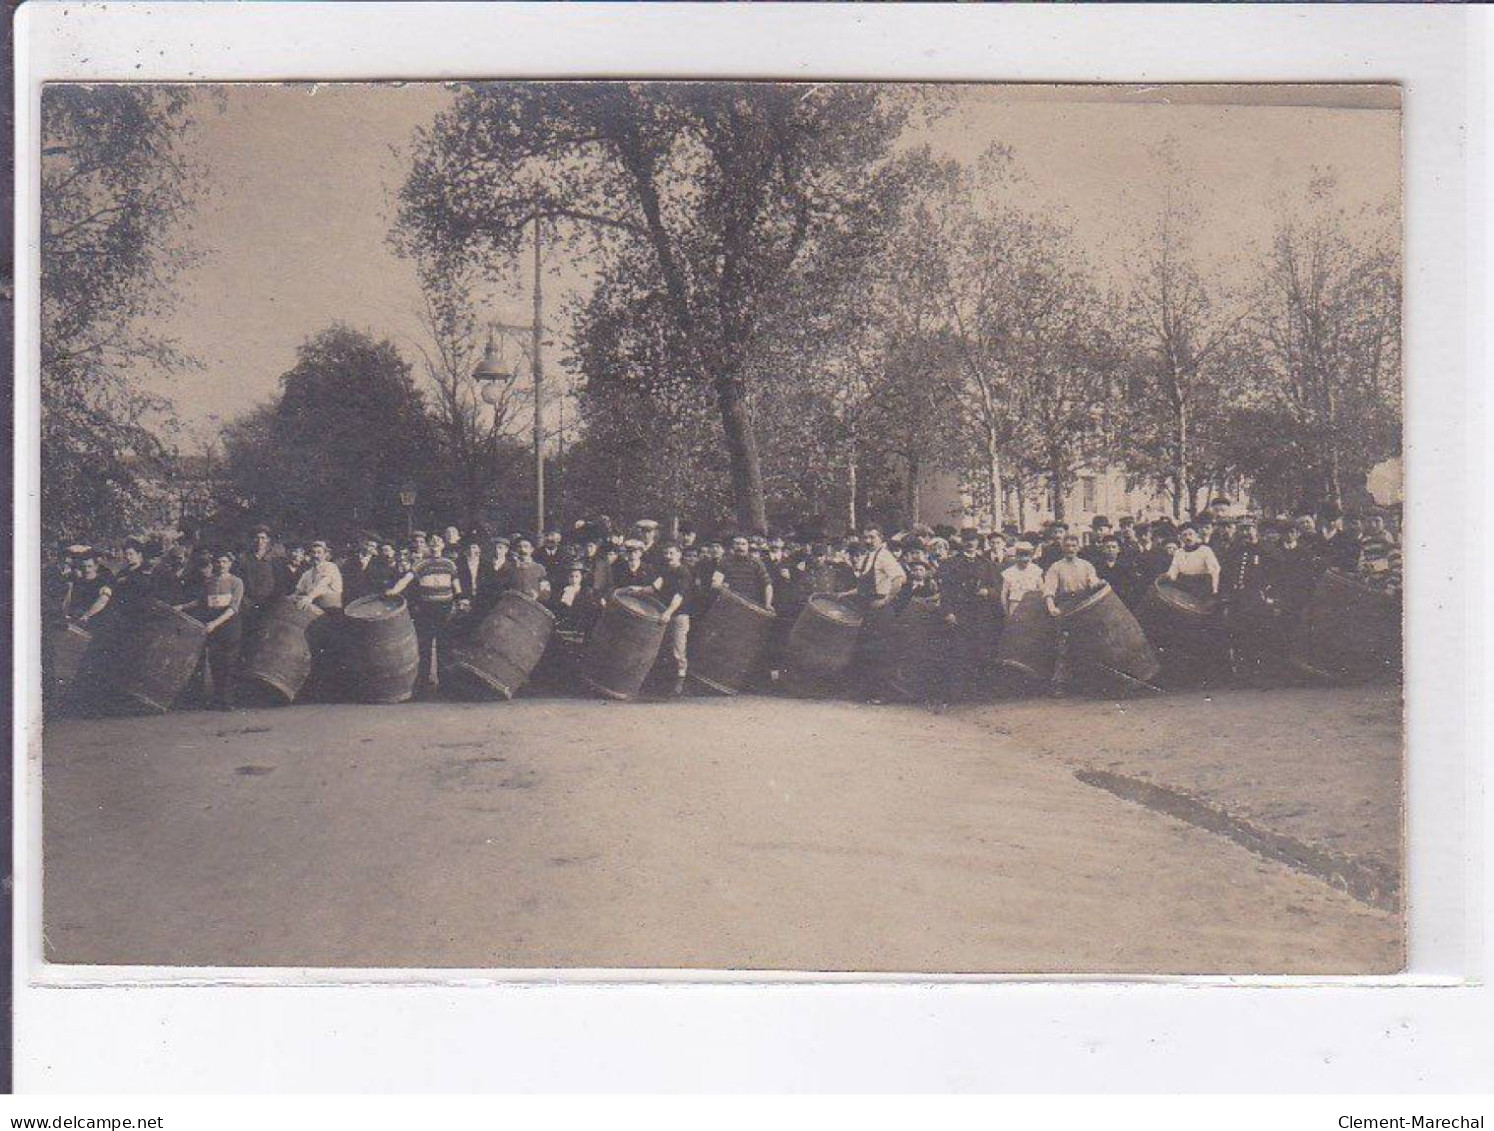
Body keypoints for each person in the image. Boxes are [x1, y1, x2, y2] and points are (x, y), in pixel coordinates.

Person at [175, 549, 244, 710]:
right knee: (215, 661)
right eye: (218, 562)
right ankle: (217, 699)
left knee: (229, 663)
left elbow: (233, 608)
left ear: (230, 564)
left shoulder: (236, 582)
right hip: (213, 623)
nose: (221, 565)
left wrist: (215, 623)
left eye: (225, 562)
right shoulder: (209, 581)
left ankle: (228, 701)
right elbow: (201, 602)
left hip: (229, 624)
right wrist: (182, 606)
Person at [388, 535, 457, 695]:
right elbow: (406, 579)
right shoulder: (421, 564)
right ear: (427, 546)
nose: (434, 546)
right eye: (431, 543)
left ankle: (445, 686)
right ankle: (423, 686)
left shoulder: (449, 564)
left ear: (443, 545)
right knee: (424, 647)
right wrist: (394, 591)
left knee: (444, 647)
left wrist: (460, 598)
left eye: (438, 543)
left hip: (445, 609)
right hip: (426, 609)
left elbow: (456, 584)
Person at [629, 541, 693, 696]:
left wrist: (669, 612)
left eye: (672, 553)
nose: (669, 556)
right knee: (658, 648)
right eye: (666, 553)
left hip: (678, 615)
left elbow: (679, 596)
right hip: (663, 613)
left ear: (679, 554)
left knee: (678, 650)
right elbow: (654, 588)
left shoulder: (684, 572)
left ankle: (679, 683)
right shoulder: (665, 571)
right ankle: (660, 684)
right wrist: (638, 590)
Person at [716, 533, 774, 610]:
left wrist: (768, 604)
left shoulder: (756, 563)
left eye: (743, 544)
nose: (740, 547)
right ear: (733, 546)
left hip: (751, 603)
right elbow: (716, 582)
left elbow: (767, 584)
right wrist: (721, 587)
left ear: (747, 546)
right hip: (729, 602)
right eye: (737, 544)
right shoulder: (724, 562)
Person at [1164, 524, 1222, 600]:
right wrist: (1168, 576)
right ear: (1181, 538)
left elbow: (1214, 571)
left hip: (1201, 587)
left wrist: (1215, 589)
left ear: (1196, 535)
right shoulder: (1179, 552)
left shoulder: (1205, 550)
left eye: (1190, 534)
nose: (1188, 538)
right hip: (1184, 585)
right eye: (1184, 535)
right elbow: (1174, 569)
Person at [292, 540, 344, 611]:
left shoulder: (331, 567)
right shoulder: (307, 573)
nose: (316, 555)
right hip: (314, 611)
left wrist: (310, 597)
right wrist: (293, 598)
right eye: (313, 552)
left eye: (319, 553)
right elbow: (298, 591)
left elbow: (322, 584)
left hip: (332, 610)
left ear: (326, 554)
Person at [500, 536, 551, 602]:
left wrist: (537, 595)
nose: (522, 549)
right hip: (513, 606)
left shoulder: (540, 569)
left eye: (526, 547)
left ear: (531, 549)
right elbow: (502, 589)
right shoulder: (508, 568)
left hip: (533, 606)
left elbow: (546, 593)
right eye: (519, 547)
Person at [342, 534, 385, 604]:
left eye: (372, 546)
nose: (369, 548)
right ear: (362, 544)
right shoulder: (350, 560)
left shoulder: (379, 562)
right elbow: (346, 580)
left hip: (371, 599)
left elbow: (379, 582)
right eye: (367, 545)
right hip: (353, 598)